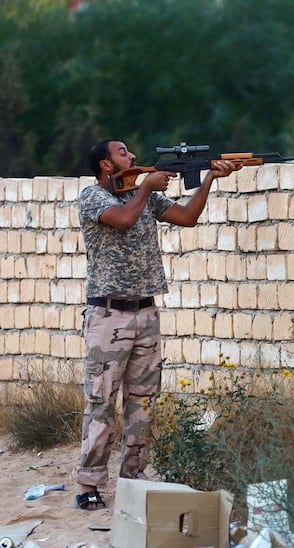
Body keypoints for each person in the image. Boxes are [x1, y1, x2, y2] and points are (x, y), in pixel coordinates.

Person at [75, 140, 238, 511]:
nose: (131, 157)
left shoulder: (141, 193)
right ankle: (89, 484)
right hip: (108, 315)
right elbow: (122, 220)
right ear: (105, 164)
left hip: (146, 312)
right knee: (101, 402)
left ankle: (135, 476)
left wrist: (209, 178)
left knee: (143, 402)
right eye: (122, 153)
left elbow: (187, 217)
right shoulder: (93, 197)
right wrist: (147, 186)